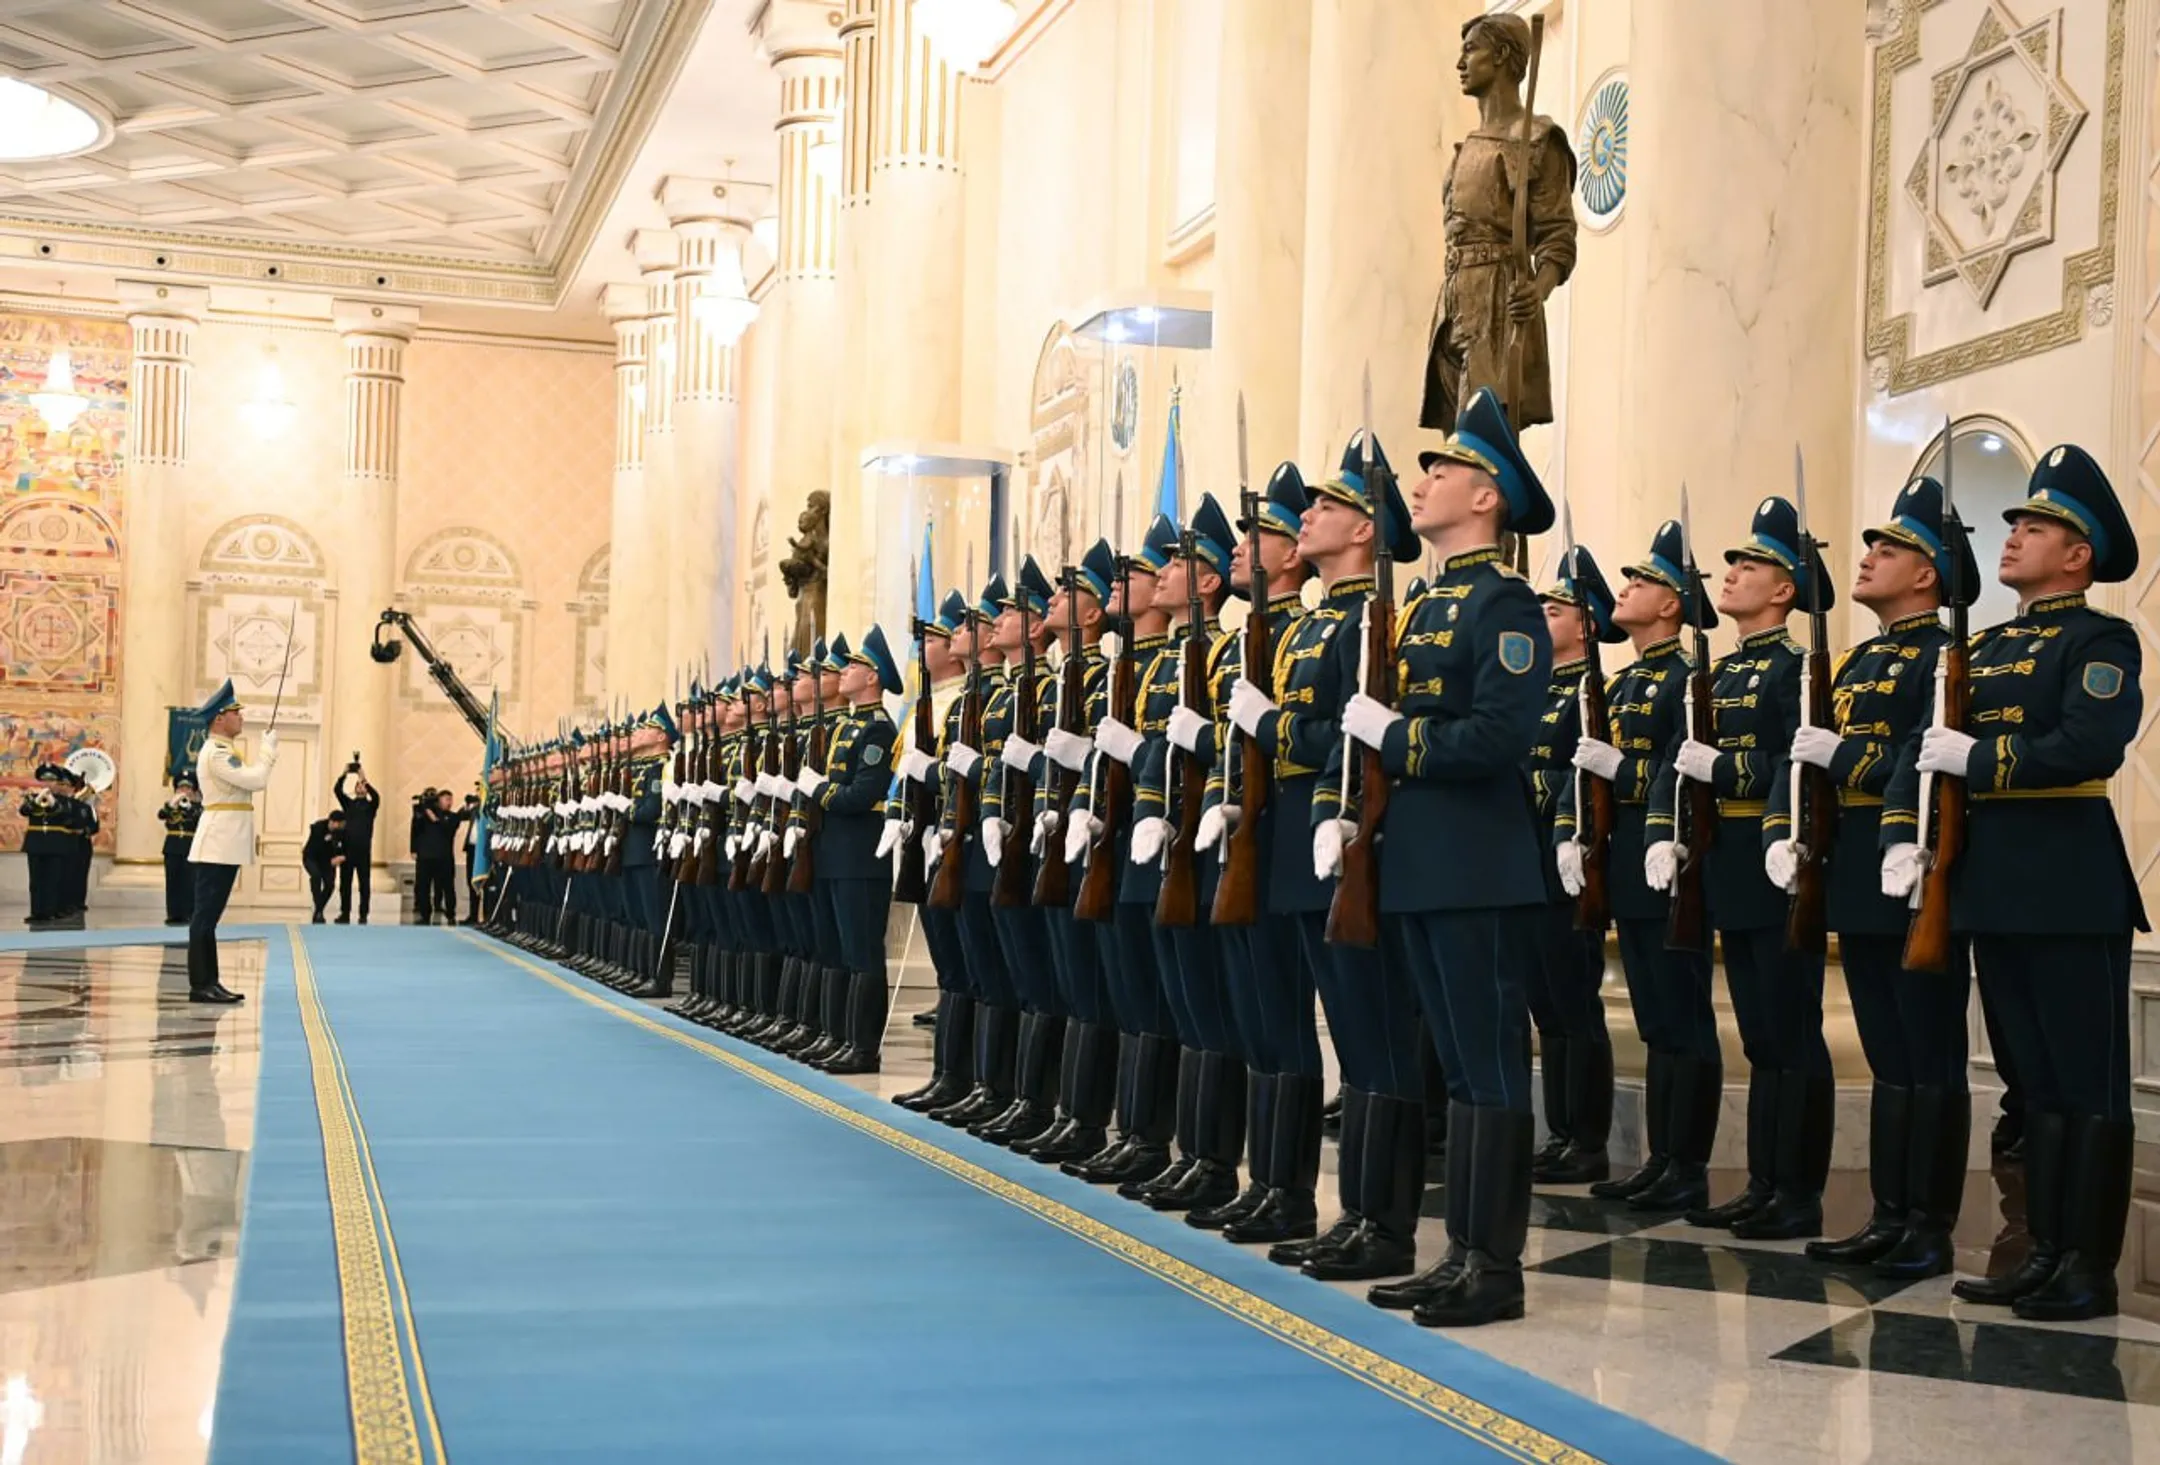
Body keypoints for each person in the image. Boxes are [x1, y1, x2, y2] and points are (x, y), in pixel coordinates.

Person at [1884, 443, 2145, 1322]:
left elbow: (2089, 744)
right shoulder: (1985, 646)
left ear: (2078, 554)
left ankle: (2087, 1265)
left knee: (2085, 1084)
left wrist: (1981, 758)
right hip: (1991, 886)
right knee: (2031, 1082)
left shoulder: (2100, 638)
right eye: (2018, 523)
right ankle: (2042, 1250)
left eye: (2036, 527)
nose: (2014, 535)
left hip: (2069, 886)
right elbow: (1927, 752)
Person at [1328, 387, 1553, 1328]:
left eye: (1445, 470)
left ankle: (1493, 1265)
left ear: (1487, 497)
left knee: (1487, 1064)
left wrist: (1396, 737)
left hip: (1474, 860)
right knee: (1454, 1068)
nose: (1423, 482)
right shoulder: (1421, 605)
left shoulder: (1504, 604)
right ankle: (1458, 1249)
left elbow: (1500, 736)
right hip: (1419, 858)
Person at [1769, 476, 1975, 1279]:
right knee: (1889, 1056)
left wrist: (1842, 756)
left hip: (1918, 868)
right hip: (1855, 870)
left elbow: (1920, 762)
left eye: (1889, 549)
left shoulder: (1944, 657)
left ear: (1927, 573)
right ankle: (1889, 1215)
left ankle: (1929, 1224)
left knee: (1930, 1055)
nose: (1868, 556)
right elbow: (1804, 763)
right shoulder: (1853, 662)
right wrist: (1789, 833)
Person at [1651, 498, 1837, 1241]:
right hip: (1727, 863)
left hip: (1776, 860)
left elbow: (1797, 760)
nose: (1730, 573)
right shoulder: (1720, 672)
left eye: (1750, 565)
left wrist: (1725, 770)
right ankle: (1763, 1182)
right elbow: (1679, 762)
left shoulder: (1796, 669)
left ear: (1785, 589)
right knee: (1758, 1035)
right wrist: (1670, 836)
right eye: (1733, 563)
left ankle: (1798, 1191)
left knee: (1793, 1031)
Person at [1560, 520, 1724, 1214]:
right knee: (1656, 1019)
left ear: (1671, 604)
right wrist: (1572, 834)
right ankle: (1661, 1158)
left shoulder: (1689, 678)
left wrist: (1620, 771)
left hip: (1672, 860)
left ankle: (1688, 1164)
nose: (1624, 589)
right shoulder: (1623, 681)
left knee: (1684, 1016)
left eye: (1641, 582)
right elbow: (1583, 771)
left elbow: (1678, 770)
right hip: (1625, 862)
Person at [1525, 547, 1624, 1185]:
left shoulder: (1595, 693)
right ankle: (1560, 1132)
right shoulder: (1535, 688)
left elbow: (1583, 773)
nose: (1542, 616)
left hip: (1568, 859)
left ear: (1586, 626)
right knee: (1546, 1004)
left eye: (1554, 609)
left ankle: (1587, 1139)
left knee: (1574, 999)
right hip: (1524, 858)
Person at [189, 680, 277, 1004]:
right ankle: (201, 984)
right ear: (219, 719)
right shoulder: (217, 754)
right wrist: (268, 751)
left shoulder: (224, 751)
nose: (241, 717)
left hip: (225, 842)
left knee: (209, 918)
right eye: (235, 713)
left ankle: (210, 981)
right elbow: (256, 779)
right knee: (204, 918)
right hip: (218, 843)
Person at [19, 764, 73, 927]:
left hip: (55, 844)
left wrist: (53, 803)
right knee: (36, 881)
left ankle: (50, 911)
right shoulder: (32, 798)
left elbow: (66, 816)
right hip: (35, 844)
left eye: (51, 780)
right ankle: (36, 912)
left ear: (57, 783)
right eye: (44, 780)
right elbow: (24, 811)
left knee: (52, 880)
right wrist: (36, 801)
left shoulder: (64, 800)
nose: (47, 783)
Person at [334, 761, 380, 923]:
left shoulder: (371, 806)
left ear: (366, 789)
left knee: (364, 885)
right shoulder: (349, 804)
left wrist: (364, 778)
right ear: (354, 789)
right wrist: (344, 774)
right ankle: (345, 913)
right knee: (345, 884)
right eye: (358, 785)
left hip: (363, 851)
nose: (360, 787)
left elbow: (376, 796)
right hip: (347, 850)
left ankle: (363, 914)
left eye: (363, 786)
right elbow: (337, 791)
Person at [412, 789, 463, 925]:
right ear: (438, 801)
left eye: (450, 799)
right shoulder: (424, 815)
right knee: (423, 887)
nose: (449, 802)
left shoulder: (452, 817)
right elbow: (416, 828)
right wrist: (424, 808)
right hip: (426, 857)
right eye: (446, 799)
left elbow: (447, 829)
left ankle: (450, 914)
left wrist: (436, 817)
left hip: (444, 857)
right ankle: (425, 914)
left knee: (448, 887)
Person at [158, 773, 201, 926]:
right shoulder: (171, 805)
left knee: (190, 882)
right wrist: (172, 804)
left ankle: (189, 913)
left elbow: (198, 821)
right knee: (173, 881)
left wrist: (190, 808)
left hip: (190, 847)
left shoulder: (198, 808)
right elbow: (161, 815)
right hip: (172, 847)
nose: (184, 791)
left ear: (194, 791)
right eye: (181, 788)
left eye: (187, 788)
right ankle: (173, 914)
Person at [303, 810, 347, 923]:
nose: (339, 827)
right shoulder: (318, 828)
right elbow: (316, 849)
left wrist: (342, 857)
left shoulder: (342, 831)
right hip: (312, 858)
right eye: (338, 824)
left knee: (329, 885)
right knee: (316, 876)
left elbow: (343, 847)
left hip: (329, 861)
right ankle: (319, 912)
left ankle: (318, 910)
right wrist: (330, 861)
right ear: (332, 822)